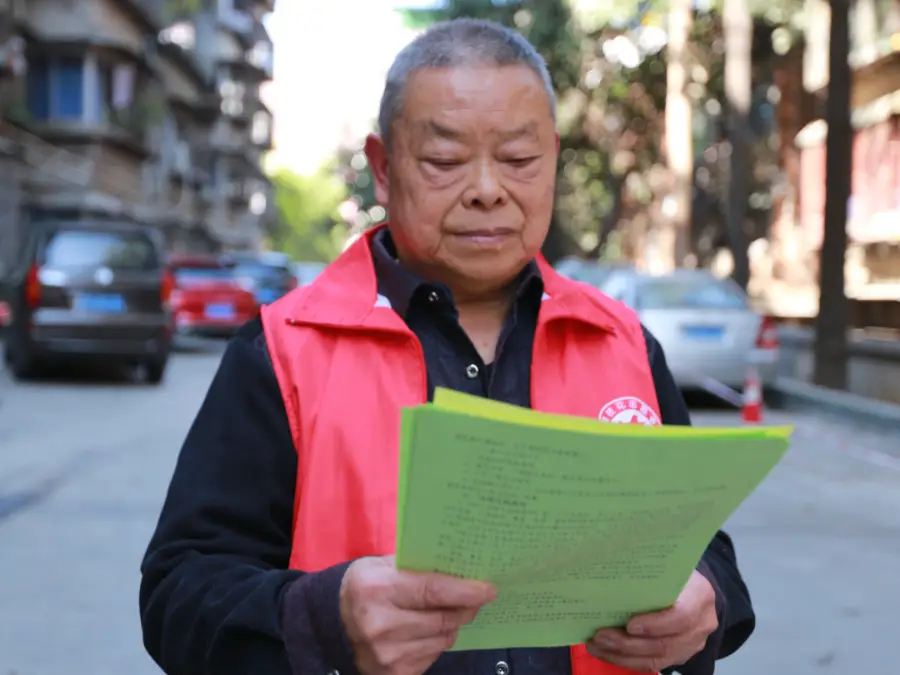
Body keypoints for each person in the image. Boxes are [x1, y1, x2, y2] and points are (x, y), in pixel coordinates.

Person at [140, 18, 755, 675]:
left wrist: (706, 598)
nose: (487, 189)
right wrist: (325, 617)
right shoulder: (284, 352)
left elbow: (703, 547)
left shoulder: (624, 344)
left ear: (552, 158)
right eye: (444, 160)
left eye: (519, 159)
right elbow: (179, 592)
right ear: (382, 168)